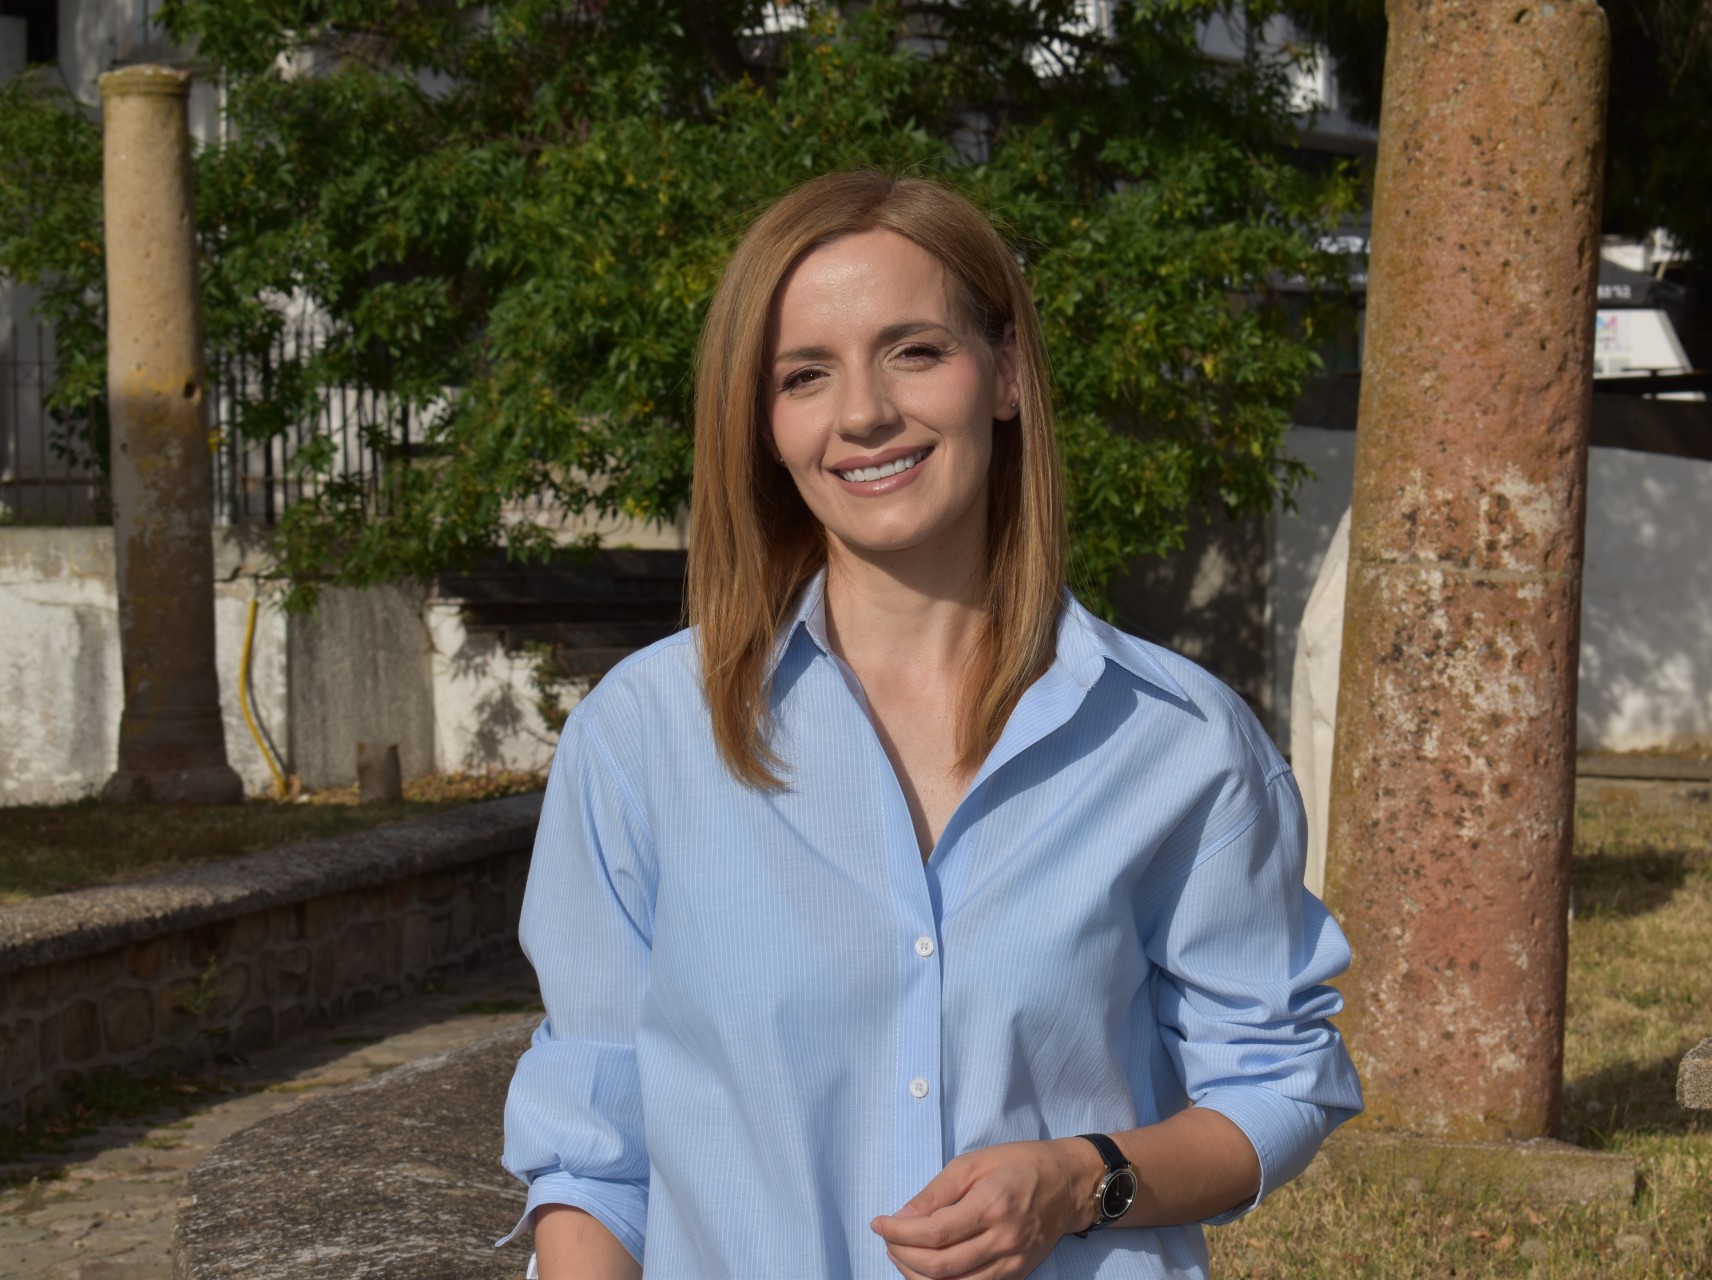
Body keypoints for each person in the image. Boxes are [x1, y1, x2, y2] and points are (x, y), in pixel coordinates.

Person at [500, 170, 1362, 1280]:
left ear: (1005, 371)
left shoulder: (1181, 742)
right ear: (764, 425)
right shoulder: (643, 736)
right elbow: (594, 1143)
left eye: (913, 351)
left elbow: (1278, 1080)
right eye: (804, 375)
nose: (862, 412)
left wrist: (1078, 1179)